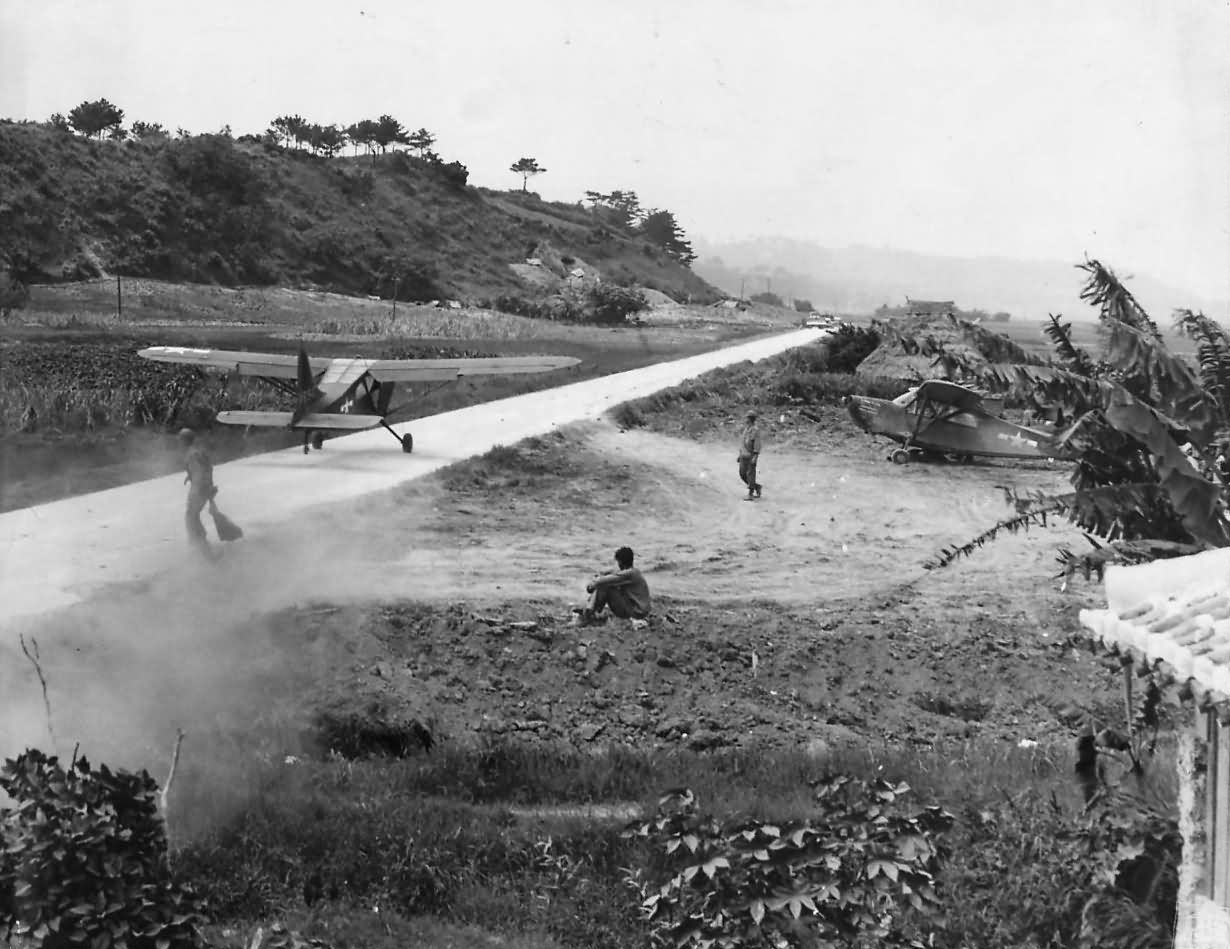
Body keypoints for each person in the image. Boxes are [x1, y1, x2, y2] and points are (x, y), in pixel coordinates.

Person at [576, 546, 651, 625]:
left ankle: (589, 612)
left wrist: (593, 584)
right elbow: (612, 576)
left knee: (605, 586)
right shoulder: (633, 573)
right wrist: (601, 577)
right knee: (607, 585)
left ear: (620, 562)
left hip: (637, 613)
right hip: (638, 610)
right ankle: (590, 609)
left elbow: (603, 581)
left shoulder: (630, 574)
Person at [179, 428, 217, 558]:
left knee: (191, 518)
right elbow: (208, 468)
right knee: (192, 517)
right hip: (205, 488)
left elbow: (199, 473)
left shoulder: (191, 454)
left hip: (198, 490)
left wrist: (198, 488)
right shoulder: (199, 451)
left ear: (184, 441)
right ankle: (202, 550)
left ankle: (204, 553)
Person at [738, 411, 762, 500]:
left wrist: (755, 456)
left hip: (751, 456)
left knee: (750, 474)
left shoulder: (755, 430)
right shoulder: (746, 429)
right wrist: (739, 454)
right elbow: (742, 443)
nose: (745, 419)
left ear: (750, 419)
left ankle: (750, 493)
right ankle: (756, 487)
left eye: (747, 418)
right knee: (742, 474)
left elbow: (757, 444)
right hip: (743, 455)